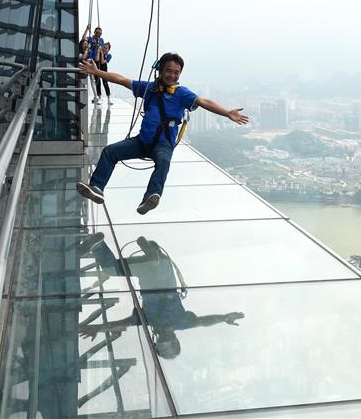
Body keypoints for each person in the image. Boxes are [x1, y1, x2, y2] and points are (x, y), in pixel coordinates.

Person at [77, 52, 249, 214]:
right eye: (168, 71)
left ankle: (151, 197)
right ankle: (97, 188)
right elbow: (122, 80)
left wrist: (227, 113)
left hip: (163, 144)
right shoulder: (149, 89)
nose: (172, 75)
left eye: (176, 72)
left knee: (164, 162)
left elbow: (203, 101)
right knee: (110, 151)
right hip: (141, 142)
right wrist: (96, 71)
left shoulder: (181, 93)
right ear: (160, 71)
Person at [78, 234, 244, 359]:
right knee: (150, 267)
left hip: (153, 274)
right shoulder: (178, 323)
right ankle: (153, 255)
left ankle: (99, 245)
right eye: (164, 340)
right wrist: (223, 318)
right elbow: (204, 321)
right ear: (171, 339)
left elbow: (122, 324)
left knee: (111, 269)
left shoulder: (153, 321)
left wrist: (98, 328)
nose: (161, 336)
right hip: (160, 278)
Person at [81, 26, 104, 103]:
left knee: (94, 79)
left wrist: (99, 50)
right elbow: (83, 38)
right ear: (94, 32)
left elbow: (100, 52)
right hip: (87, 60)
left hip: (94, 61)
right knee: (86, 78)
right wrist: (87, 29)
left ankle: (97, 95)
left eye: (100, 33)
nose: (98, 34)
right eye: (97, 33)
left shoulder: (101, 41)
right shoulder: (90, 39)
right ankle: (94, 96)